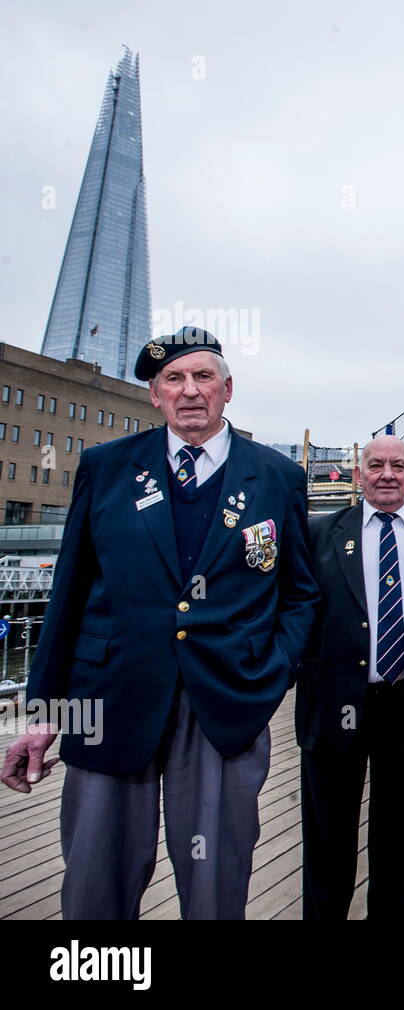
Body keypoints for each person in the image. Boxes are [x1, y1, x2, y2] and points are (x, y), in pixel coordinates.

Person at [0, 328, 318, 919]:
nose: (189, 391)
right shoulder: (107, 467)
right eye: (173, 379)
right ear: (155, 396)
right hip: (109, 698)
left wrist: (271, 670)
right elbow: (67, 594)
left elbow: (299, 593)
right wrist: (45, 715)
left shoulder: (277, 477)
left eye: (203, 378)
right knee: (96, 879)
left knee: (216, 884)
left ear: (228, 390)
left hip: (225, 701)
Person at [295, 435, 404, 919]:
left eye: (398, 465)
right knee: (327, 840)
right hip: (333, 704)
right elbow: (293, 610)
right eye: (375, 465)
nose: (387, 474)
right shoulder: (319, 534)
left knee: (399, 837)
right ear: (358, 475)